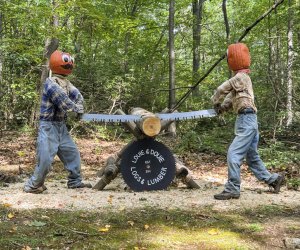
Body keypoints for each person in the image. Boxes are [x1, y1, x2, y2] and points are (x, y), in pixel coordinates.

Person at [211, 43, 284, 200]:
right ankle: (274, 180)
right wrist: (221, 109)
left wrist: (215, 102)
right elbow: (229, 101)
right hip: (247, 119)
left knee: (233, 153)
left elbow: (220, 90)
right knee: (251, 156)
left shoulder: (241, 77)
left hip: (246, 119)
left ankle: (232, 188)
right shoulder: (241, 83)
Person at [24, 50, 92, 193]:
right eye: (65, 61)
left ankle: (75, 181)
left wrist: (79, 107)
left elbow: (78, 96)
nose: (68, 64)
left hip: (61, 126)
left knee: (72, 153)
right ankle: (33, 185)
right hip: (48, 126)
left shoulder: (66, 83)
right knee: (45, 159)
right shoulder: (50, 83)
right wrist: (76, 109)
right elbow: (63, 101)